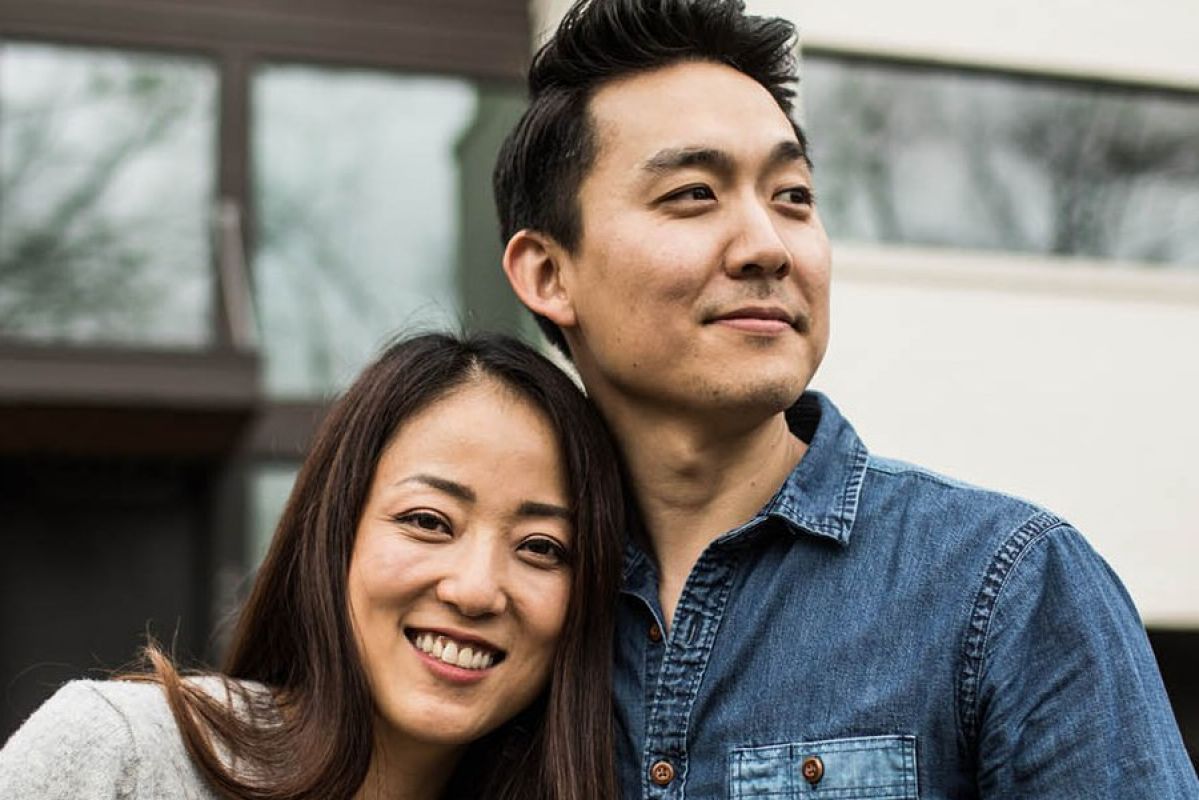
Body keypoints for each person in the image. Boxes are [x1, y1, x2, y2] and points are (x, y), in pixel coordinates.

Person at [494, 0, 1199, 796]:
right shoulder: (506, 602)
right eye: (693, 194)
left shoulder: (1006, 586)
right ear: (549, 275)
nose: (766, 245)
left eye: (791, 195)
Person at [0, 332, 624, 800]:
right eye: (428, 522)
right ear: (335, 534)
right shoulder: (123, 759)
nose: (476, 589)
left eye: (542, 548)